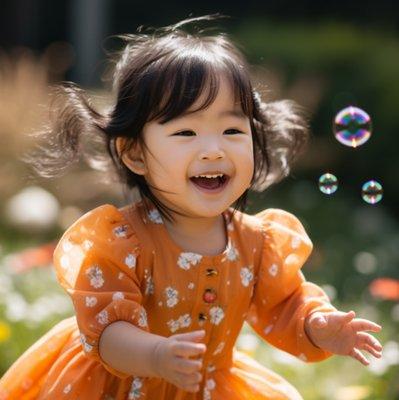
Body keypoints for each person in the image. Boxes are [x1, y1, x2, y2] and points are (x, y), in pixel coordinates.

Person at [0, 14, 383, 400]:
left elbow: (286, 304)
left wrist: (319, 324)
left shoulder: (257, 242)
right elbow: (107, 330)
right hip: (118, 387)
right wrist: (156, 355)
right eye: (186, 132)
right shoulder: (122, 243)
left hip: (210, 388)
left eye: (233, 130)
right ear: (134, 153)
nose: (214, 149)